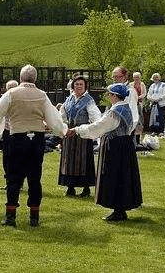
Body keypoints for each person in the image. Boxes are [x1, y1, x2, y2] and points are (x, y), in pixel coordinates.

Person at [0, 65, 67, 227]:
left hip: (17, 138)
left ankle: (10, 216)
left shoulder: (11, 94)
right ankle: (34, 216)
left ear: (21, 78)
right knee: (35, 178)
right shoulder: (42, 95)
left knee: (13, 177)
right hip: (36, 139)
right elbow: (55, 121)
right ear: (35, 79)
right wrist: (64, 131)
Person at [66, 83, 143, 221]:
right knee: (123, 176)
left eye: (110, 94)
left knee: (115, 176)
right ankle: (120, 209)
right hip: (125, 146)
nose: (108, 96)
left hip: (115, 147)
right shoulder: (127, 109)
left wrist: (77, 130)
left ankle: (118, 210)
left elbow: (99, 127)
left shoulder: (115, 112)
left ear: (115, 96)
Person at [58, 74, 101, 198]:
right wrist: (62, 126)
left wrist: (91, 129)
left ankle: (86, 188)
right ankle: (70, 187)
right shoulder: (69, 99)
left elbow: (96, 117)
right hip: (69, 133)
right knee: (69, 160)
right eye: (76, 84)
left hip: (83, 133)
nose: (79, 86)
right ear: (73, 86)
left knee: (83, 160)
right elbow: (63, 115)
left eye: (81, 84)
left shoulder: (88, 100)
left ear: (85, 86)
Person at [129, 72, 147, 141]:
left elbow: (144, 94)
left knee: (140, 119)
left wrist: (138, 97)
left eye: (137, 77)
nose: (136, 79)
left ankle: (138, 136)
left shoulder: (142, 84)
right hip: (132, 103)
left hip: (139, 103)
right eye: (135, 77)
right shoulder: (131, 84)